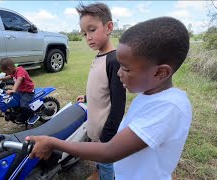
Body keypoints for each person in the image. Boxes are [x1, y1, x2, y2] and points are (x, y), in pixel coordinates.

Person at [26, 16, 192, 180]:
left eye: (126, 69)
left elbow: (109, 152)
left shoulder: (169, 108)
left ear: (160, 72)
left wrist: (53, 143)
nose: (119, 73)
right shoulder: (150, 94)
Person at [75, 3, 126, 179]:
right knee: (98, 156)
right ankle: (98, 170)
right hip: (95, 124)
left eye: (92, 29)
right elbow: (100, 85)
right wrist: (87, 96)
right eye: (84, 33)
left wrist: (107, 136)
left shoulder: (114, 60)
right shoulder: (99, 55)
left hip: (106, 131)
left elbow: (119, 103)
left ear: (109, 27)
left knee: (106, 162)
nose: (88, 37)